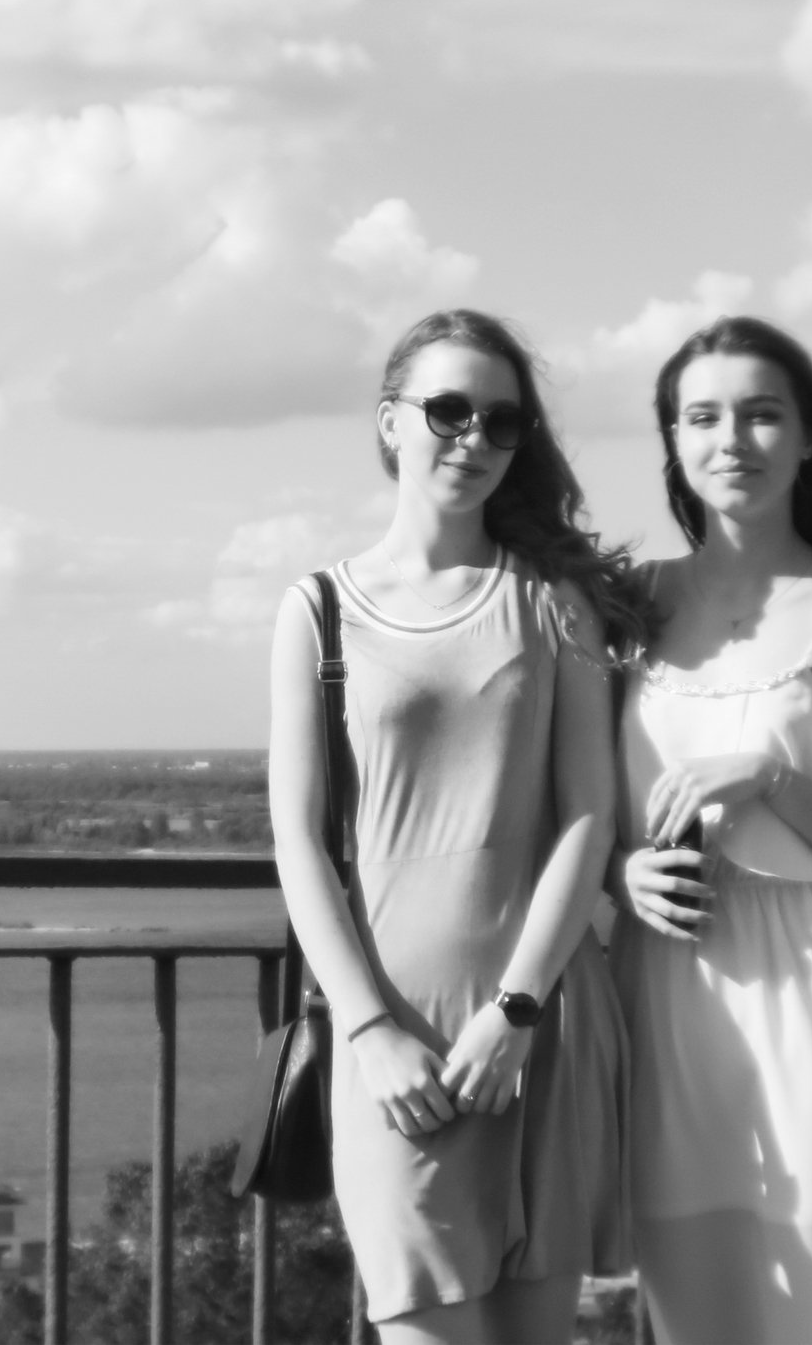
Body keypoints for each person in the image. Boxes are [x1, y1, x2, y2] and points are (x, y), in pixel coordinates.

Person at [267, 309, 641, 1344]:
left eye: (501, 421)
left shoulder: (556, 603)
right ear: (391, 421)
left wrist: (516, 1012)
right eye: (448, 411)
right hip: (398, 1048)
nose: (474, 437)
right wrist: (369, 1032)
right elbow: (300, 842)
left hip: (542, 1023)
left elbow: (588, 817)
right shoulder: (320, 610)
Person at [609, 315, 812, 1344]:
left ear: (806, 439)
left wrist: (773, 779)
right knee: (692, 1319)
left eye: (760, 414)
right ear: (673, 442)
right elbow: (587, 815)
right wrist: (621, 876)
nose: (731, 440)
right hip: (664, 997)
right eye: (702, 417)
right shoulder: (630, 604)